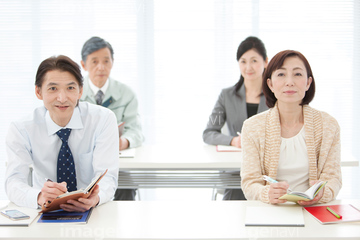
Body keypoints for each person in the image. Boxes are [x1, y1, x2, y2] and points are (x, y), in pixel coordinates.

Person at [5, 55, 119, 211]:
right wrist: (38, 196)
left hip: (93, 210)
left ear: (80, 91)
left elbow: (108, 176)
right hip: (45, 209)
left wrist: (96, 198)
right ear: (38, 92)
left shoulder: (103, 119)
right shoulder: (22, 129)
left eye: (70, 88)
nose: (62, 98)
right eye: (53, 88)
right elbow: (13, 181)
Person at [240, 50, 342, 205]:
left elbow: (333, 178)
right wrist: (266, 193)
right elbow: (249, 183)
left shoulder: (328, 125)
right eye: (281, 74)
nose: (289, 82)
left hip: (314, 209)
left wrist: (322, 193)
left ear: (308, 83)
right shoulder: (252, 127)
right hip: (271, 210)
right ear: (270, 84)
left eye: (298, 74)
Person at [202, 36, 269, 200]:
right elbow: (209, 133)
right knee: (235, 195)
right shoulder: (227, 96)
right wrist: (233, 141)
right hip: (236, 169)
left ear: (265, 61)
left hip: (269, 170)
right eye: (243, 61)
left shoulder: (275, 96)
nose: (248, 67)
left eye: (254, 60)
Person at [80, 36, 143, 201]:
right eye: (94, 61)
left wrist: (124, 141)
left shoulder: (126, 94)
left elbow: (135, 130)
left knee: (125, 185)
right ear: (83, 64)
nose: (101, 67)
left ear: (112, 63)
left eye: (106, 61)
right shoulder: (75, 93)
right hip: (84, 162)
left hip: (117, 161)